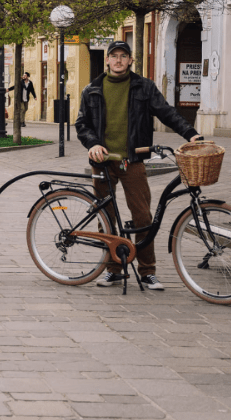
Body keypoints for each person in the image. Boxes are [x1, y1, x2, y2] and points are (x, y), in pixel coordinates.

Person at [75, 40, 201, 291]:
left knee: (142, 216)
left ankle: (147, 271)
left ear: (131, 60)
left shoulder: (144, 87)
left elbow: (167, 112)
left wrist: (190, 134)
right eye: (114, 56)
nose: (119, 60)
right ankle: (113, 270)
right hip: (103, 162)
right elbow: (82, 125)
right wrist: (93, 144)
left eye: (124, 56)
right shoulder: (92, 90)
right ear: (108, 60)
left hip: (132, 160)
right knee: (106, 216)